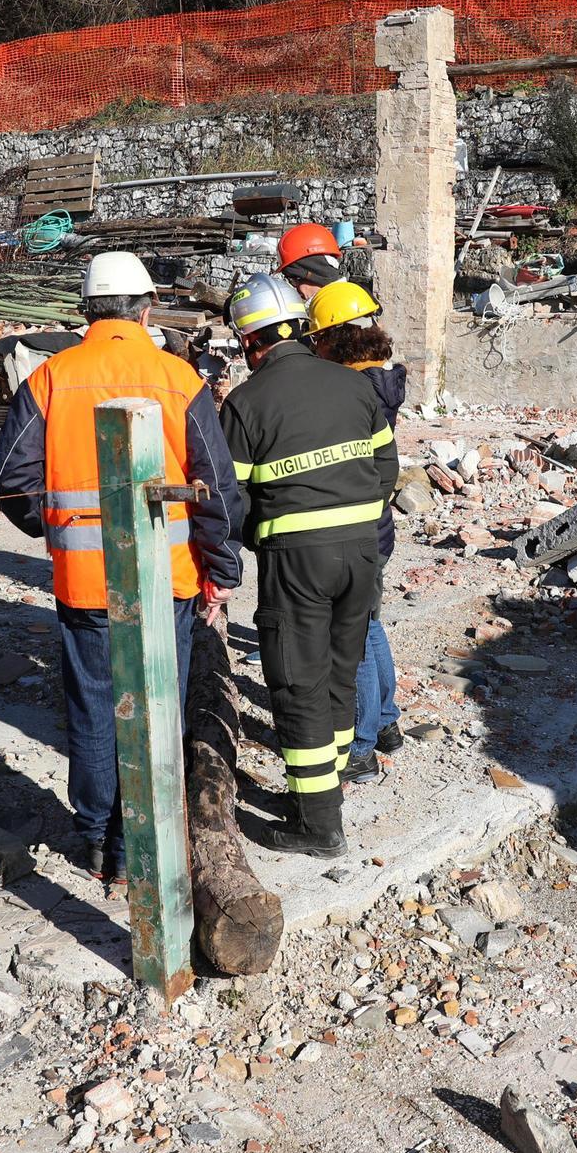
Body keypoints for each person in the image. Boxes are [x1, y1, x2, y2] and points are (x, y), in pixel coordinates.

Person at [0, 252, 242, 882]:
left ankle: (97, 839)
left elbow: (7, 477)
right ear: (146, 309)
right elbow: (216, 488)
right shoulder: (179, 378)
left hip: (85, 583)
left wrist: (55, 527)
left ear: (86, 312)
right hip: (169, 581)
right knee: (158, 706)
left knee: (96, 706)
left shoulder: (52, 377)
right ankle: (138, 846)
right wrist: (221, 573)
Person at [221, 273, 398, 858]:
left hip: (296, 559)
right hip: (362, 554)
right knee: (342, 670)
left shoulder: (246, 402)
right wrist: (361, 527)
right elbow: (387, 470)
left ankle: (318, 824)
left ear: (252, 344)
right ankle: (337, 778)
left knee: (297, 683)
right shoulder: (354, 387)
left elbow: (232, 501)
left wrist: (263, 539)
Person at [306, 282, 407, 781]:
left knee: (356, 633)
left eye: (317, 338)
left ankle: (362, 744)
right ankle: (386, 721)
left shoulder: (351, 388)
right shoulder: (381, 380)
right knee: (368, 622)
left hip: (355, 526)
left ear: (334, 339)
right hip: (376, 522)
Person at [275, 221, 344, 300]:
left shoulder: (330, 308)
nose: (297, 290)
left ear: (316, 274)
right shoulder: (350, 299)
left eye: (294, 280)